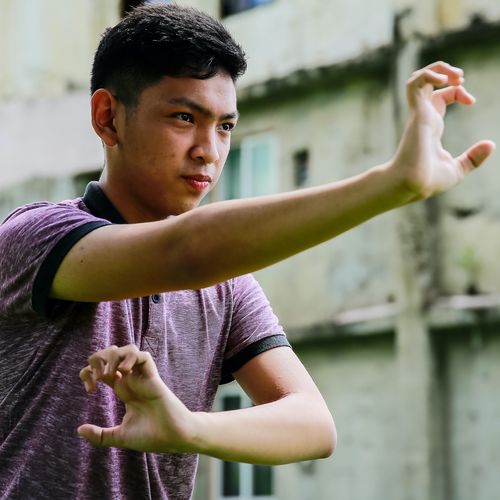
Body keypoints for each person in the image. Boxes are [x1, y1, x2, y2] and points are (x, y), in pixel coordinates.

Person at [0, 3, 495, 500]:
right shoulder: (35, 237)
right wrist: (391, 185)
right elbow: (187, 252)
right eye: (183, 117)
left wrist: (187, 427)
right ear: (108, 118)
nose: (208, 150)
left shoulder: (228, 288)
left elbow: (313, 425)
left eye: (225, 127)